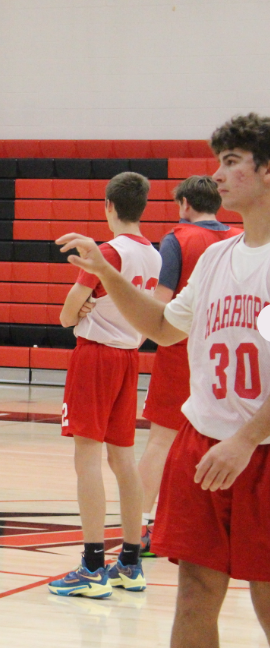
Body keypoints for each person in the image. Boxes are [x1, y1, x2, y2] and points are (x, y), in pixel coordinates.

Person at [56, 113, 270, 647]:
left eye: (231, 162)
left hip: (260, 449)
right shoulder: (218, 256)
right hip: (203, 443)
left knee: (267, 597)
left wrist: (245, 440)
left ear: (267, 170)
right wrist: (106, 275)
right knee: (193, 591)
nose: (217, 176)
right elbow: (161, 327)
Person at [48, 172, 161, 599]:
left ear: (108, 206)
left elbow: (65, 315)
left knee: (87, 459)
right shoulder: (154, 256)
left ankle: (93, 566)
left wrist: (83, 307)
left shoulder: (106, 251)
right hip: (130, 357)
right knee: (124, 461)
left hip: (96, 356)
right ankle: (129, 563)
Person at [138, 176, 241, 556]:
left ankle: (140, 529)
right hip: (224, 354)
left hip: (180, 348)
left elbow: (162, 303)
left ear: (184, 203)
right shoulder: (238, 238)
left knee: (161, 441)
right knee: (229, 441)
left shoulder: (177, 238)